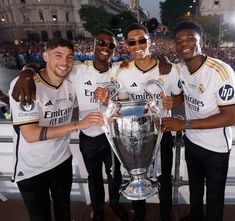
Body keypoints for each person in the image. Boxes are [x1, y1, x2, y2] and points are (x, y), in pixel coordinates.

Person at [11, 31, 128, 221]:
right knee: (93, 176)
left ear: (115, 50)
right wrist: (26, 72)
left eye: (111, 45)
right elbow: (48, 67)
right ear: (93, 45)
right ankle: (98, 209)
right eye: (101, 43)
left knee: (115, 174)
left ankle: (115, 203)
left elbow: (125, 102)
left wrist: (108, 101)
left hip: (111, 134)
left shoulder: (120, 69)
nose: (105, 47)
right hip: (87, 135)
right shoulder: (77, 70)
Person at [96, 23, 182, 221]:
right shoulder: (120, 69)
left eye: (142, 40)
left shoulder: (169, 69)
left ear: (149, 41)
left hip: (162, 132)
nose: (138, 45)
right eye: (132, 42)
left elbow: (180, 97)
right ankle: (139, 214)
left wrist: (172, 102)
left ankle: (166, 214)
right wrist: (102, 94)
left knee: (164, 177)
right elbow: (109, 93)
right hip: (132, 135)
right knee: (135, 176)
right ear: (126, 45)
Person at [162, 21, 235, 221]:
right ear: (175, 46)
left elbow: (231, 116)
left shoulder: (221, 72)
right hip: (193, 141)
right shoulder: (181, 69)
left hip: (216, 148)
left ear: (201, 41)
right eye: (179, 41)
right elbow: (182, 95)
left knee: (214, 196)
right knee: (195, 188)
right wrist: (173, 100)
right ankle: (195, 216)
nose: (184, 43)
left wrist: (184, 124)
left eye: (190, 38)